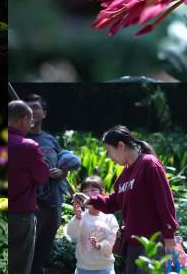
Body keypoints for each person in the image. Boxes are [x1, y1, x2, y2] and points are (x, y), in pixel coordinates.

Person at [87, 125, 178, 274]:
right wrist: (91, 200)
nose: (109, 157)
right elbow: (113, 201)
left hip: (153, 243)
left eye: (109, 151)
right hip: (133, 245)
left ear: (121, 146)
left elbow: (165, 202)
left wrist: (169, 237)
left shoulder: (149, 164)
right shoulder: (123, 176)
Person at [25, 93, 80, 274]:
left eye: (36, 107)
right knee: (28, 250)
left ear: (44, 113)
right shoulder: (21, 139)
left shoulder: (50, 140)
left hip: (54, 203)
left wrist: (62, 171)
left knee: (44, 249)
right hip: (33, 205)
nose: (32, 111)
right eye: (28, 107)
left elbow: (62, 165)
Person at [8, 100, 49, 274]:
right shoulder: (28, 146)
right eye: (30, 121)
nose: (31, 125)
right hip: (20, 216)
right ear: (24, 119)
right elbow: (42, 177)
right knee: (19, 265)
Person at [65, 176, 118, 274]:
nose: (89, 194)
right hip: (83, 268)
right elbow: (71, 235)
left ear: (102, 193)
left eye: (93, 190)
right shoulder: (80, 216)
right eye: (85, 191)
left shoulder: (109, 218)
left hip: (105, 268)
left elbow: (112, 242)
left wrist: (99, 246)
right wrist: (77, 218)